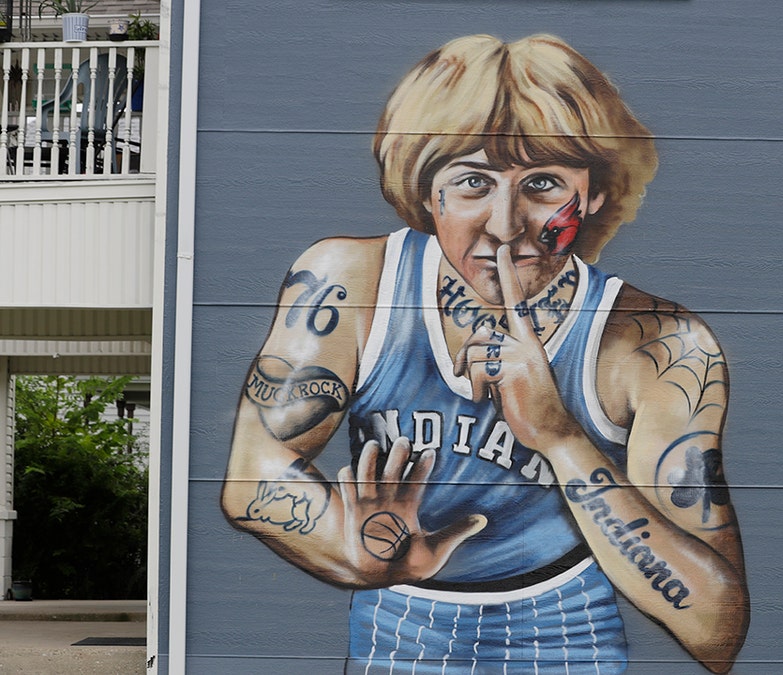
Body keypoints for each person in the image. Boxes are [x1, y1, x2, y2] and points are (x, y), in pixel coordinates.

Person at [222, 33, 749, 674]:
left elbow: (715, 628)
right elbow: (253, 478)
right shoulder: (351, 282)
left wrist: (560, 438)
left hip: (568, 628)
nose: (505, 224)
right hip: (400, 626)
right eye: (473, 182)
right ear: (426, 190)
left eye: (544, 185)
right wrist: (351, 549)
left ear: (596, 193)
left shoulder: (659, 343)